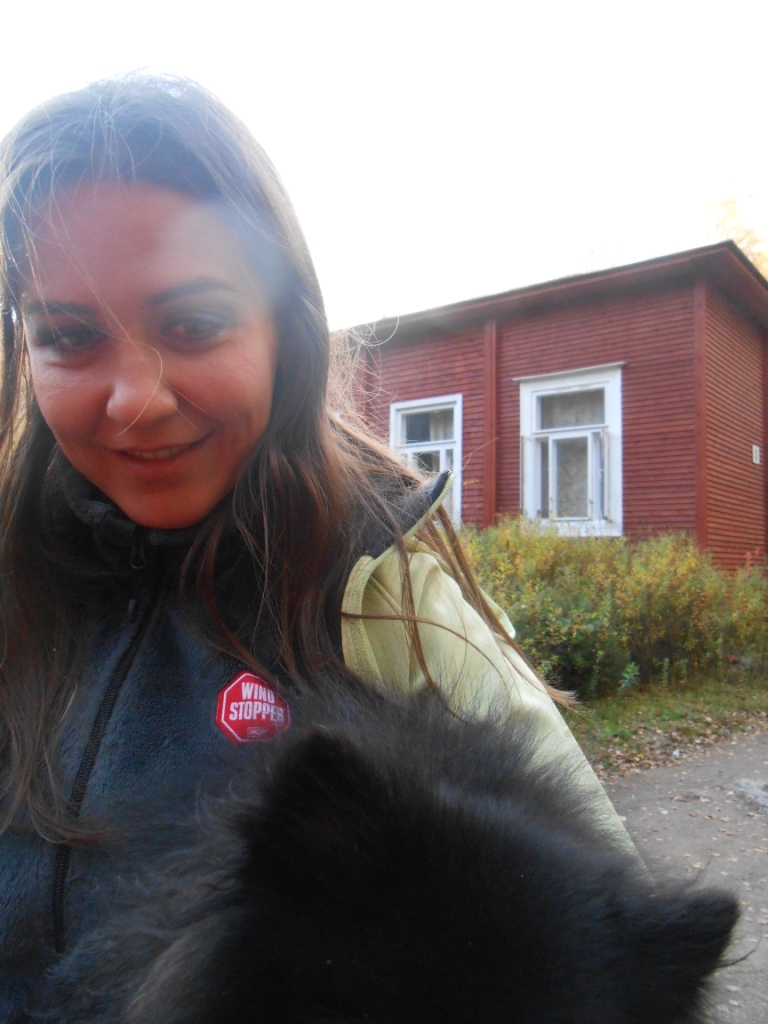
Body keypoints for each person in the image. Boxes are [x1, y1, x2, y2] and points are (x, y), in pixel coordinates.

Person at [0, 73, 636, 1016]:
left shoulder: (385, 599)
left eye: (193, 323)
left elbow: (611, 946)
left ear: (285, 331)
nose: (135, 398)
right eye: (69, 336)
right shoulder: (14, 586)